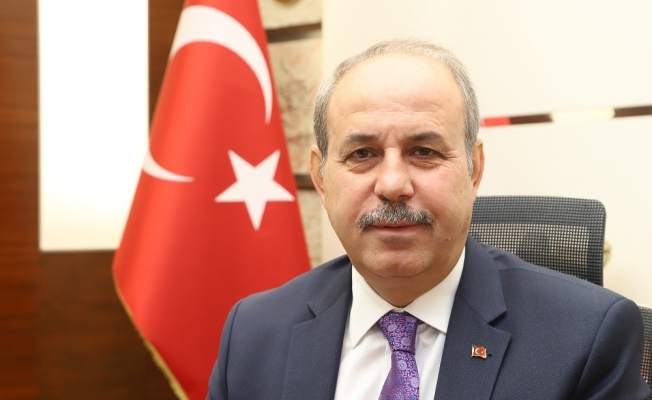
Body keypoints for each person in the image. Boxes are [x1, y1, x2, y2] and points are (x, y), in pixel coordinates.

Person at [206, 38, 650, 399]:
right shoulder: (253, 333)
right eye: (362, 154)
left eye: (424, 151)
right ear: (321, 178)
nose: (392, 184)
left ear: (474, 169)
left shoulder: (587, 338)